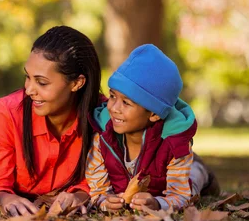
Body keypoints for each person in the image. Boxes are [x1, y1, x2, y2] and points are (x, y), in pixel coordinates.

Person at [0, 26, 102, 216]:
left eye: (42, 83)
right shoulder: (9, 112)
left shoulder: (104, 117)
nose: (29, 90)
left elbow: (106, 178)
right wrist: (5, 198)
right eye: (28, 77)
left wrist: (78, 196)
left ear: (77, 83)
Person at [86, 44, 220, 212]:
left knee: (192, 182)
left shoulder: (174, 143)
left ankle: (202, 171)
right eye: (112, 96)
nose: (113, 108)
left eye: (126, 102)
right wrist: (105, 201)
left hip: (172, 178)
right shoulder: (103, 136)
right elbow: (98, 190)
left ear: (154, 114)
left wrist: (158, 203)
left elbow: (180, 195)